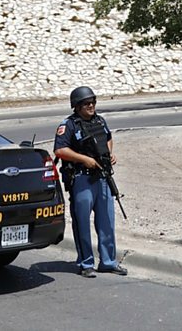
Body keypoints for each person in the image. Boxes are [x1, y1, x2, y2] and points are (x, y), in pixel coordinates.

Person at [54, 85, 127, 277]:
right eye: (86, 103)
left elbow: (108, 138)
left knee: (107, 222)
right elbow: (60, 150)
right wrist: (84, 159)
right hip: (82, 179)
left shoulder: (99, 121)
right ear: (77, 106)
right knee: (82, 223)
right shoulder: (69, 125)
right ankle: (86, 263)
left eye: (93, 102)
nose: (91, 106)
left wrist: (109, 154)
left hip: (102, 178)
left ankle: (108, 262)